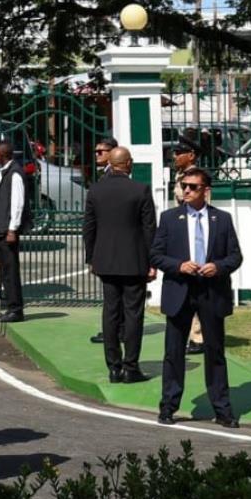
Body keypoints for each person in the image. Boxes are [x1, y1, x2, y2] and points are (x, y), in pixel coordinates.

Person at [151, 167, 243, 428]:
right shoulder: (169, 218)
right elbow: (156, 255)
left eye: (193, 186)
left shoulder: (222, 219)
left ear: (206, 190)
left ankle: (223, 409)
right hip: (180, 289)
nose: (187, 191)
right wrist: (179, 265)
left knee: (214, 352)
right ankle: (168, 406)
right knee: (174, 352)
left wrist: (219, 266)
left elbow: (235, 256)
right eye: (184, 186)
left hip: (211, 291)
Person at [83, 146, 157, 385]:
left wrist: (91, 257)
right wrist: (152, 262)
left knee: (110, 312)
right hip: (134, 262)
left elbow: (89, 227)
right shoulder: (140, 190)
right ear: (127, 164)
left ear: (111, 164)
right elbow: (149, 229)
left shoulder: (96, 190)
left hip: (105, 260)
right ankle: (130, 366)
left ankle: (113, 367)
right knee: (133, 315)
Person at [171, 138, 207, 356]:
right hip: (183, 234)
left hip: (195, 237)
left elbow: (200, 208)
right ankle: (194, 334)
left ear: (191, 154)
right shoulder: (181, 176)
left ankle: (200, 337)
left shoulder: (197, 178)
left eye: (180, 152)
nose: (176, 156)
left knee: (197, 288)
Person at [0, 140, 27, 323]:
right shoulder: (3, 171)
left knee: (11, 271)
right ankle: (11, 306)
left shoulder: (15, 173)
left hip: (7, 231)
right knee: (5, 271)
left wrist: (12, 229)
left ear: (1, 155)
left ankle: (15, 309)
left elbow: (17, 203)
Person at [88, 137, 120, 345]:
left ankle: (115, 331)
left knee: (114, 296)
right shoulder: (105, 175)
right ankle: (116, 330)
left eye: (102, 151)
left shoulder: (113, 177)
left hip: (112, 241)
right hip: (109, 241)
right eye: (96, 151)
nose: (98, 154)